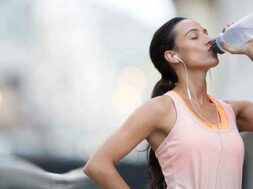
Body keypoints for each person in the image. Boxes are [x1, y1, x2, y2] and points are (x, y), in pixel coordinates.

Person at [83, 17, 253, 189]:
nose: (208, 40)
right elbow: (98, 164)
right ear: (172, 55)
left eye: (206, 33)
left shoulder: (231, 110)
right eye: (194, 37)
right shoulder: (161, 108)